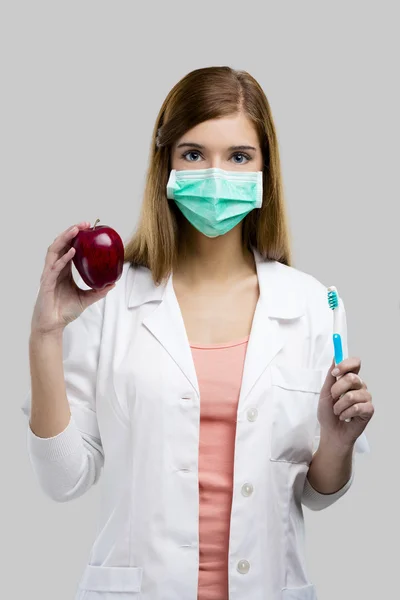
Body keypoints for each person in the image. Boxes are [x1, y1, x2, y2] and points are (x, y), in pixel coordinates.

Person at [21, 66, 374, 600]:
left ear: (265, 169)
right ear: (164, 164)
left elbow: (317, 492)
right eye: (193, 154)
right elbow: (64, 480)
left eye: (238, 157)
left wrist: (339, 441)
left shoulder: (313, 306)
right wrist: (46, 334)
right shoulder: (109, 301)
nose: (215, 175)